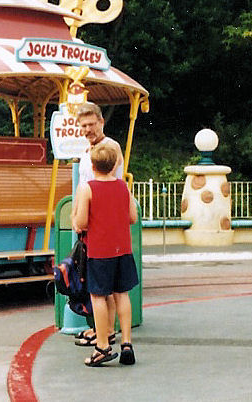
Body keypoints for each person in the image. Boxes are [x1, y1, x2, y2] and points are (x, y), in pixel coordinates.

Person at [72, 140, 139, 366]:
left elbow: (81, 222)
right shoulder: (123, 186)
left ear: (92, 166)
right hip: (123, 248)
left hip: (100, 251)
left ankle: (102, 345)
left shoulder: (87, 188)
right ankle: (127, 342)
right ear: (113, 166)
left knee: (98, 296)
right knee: (122, 294)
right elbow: (132, 218)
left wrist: (74, 221)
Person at [71, 102, 124, 347]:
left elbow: (106, 186)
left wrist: (81, 217)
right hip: (88, 221)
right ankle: (103, 329)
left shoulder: (109, 148)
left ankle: (103, 334)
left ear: (101, 122)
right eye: (84, 125)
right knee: (99, 283)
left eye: (92, 124)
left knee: (101, 285)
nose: (88, 129)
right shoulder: (87, 150)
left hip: (100, 223)